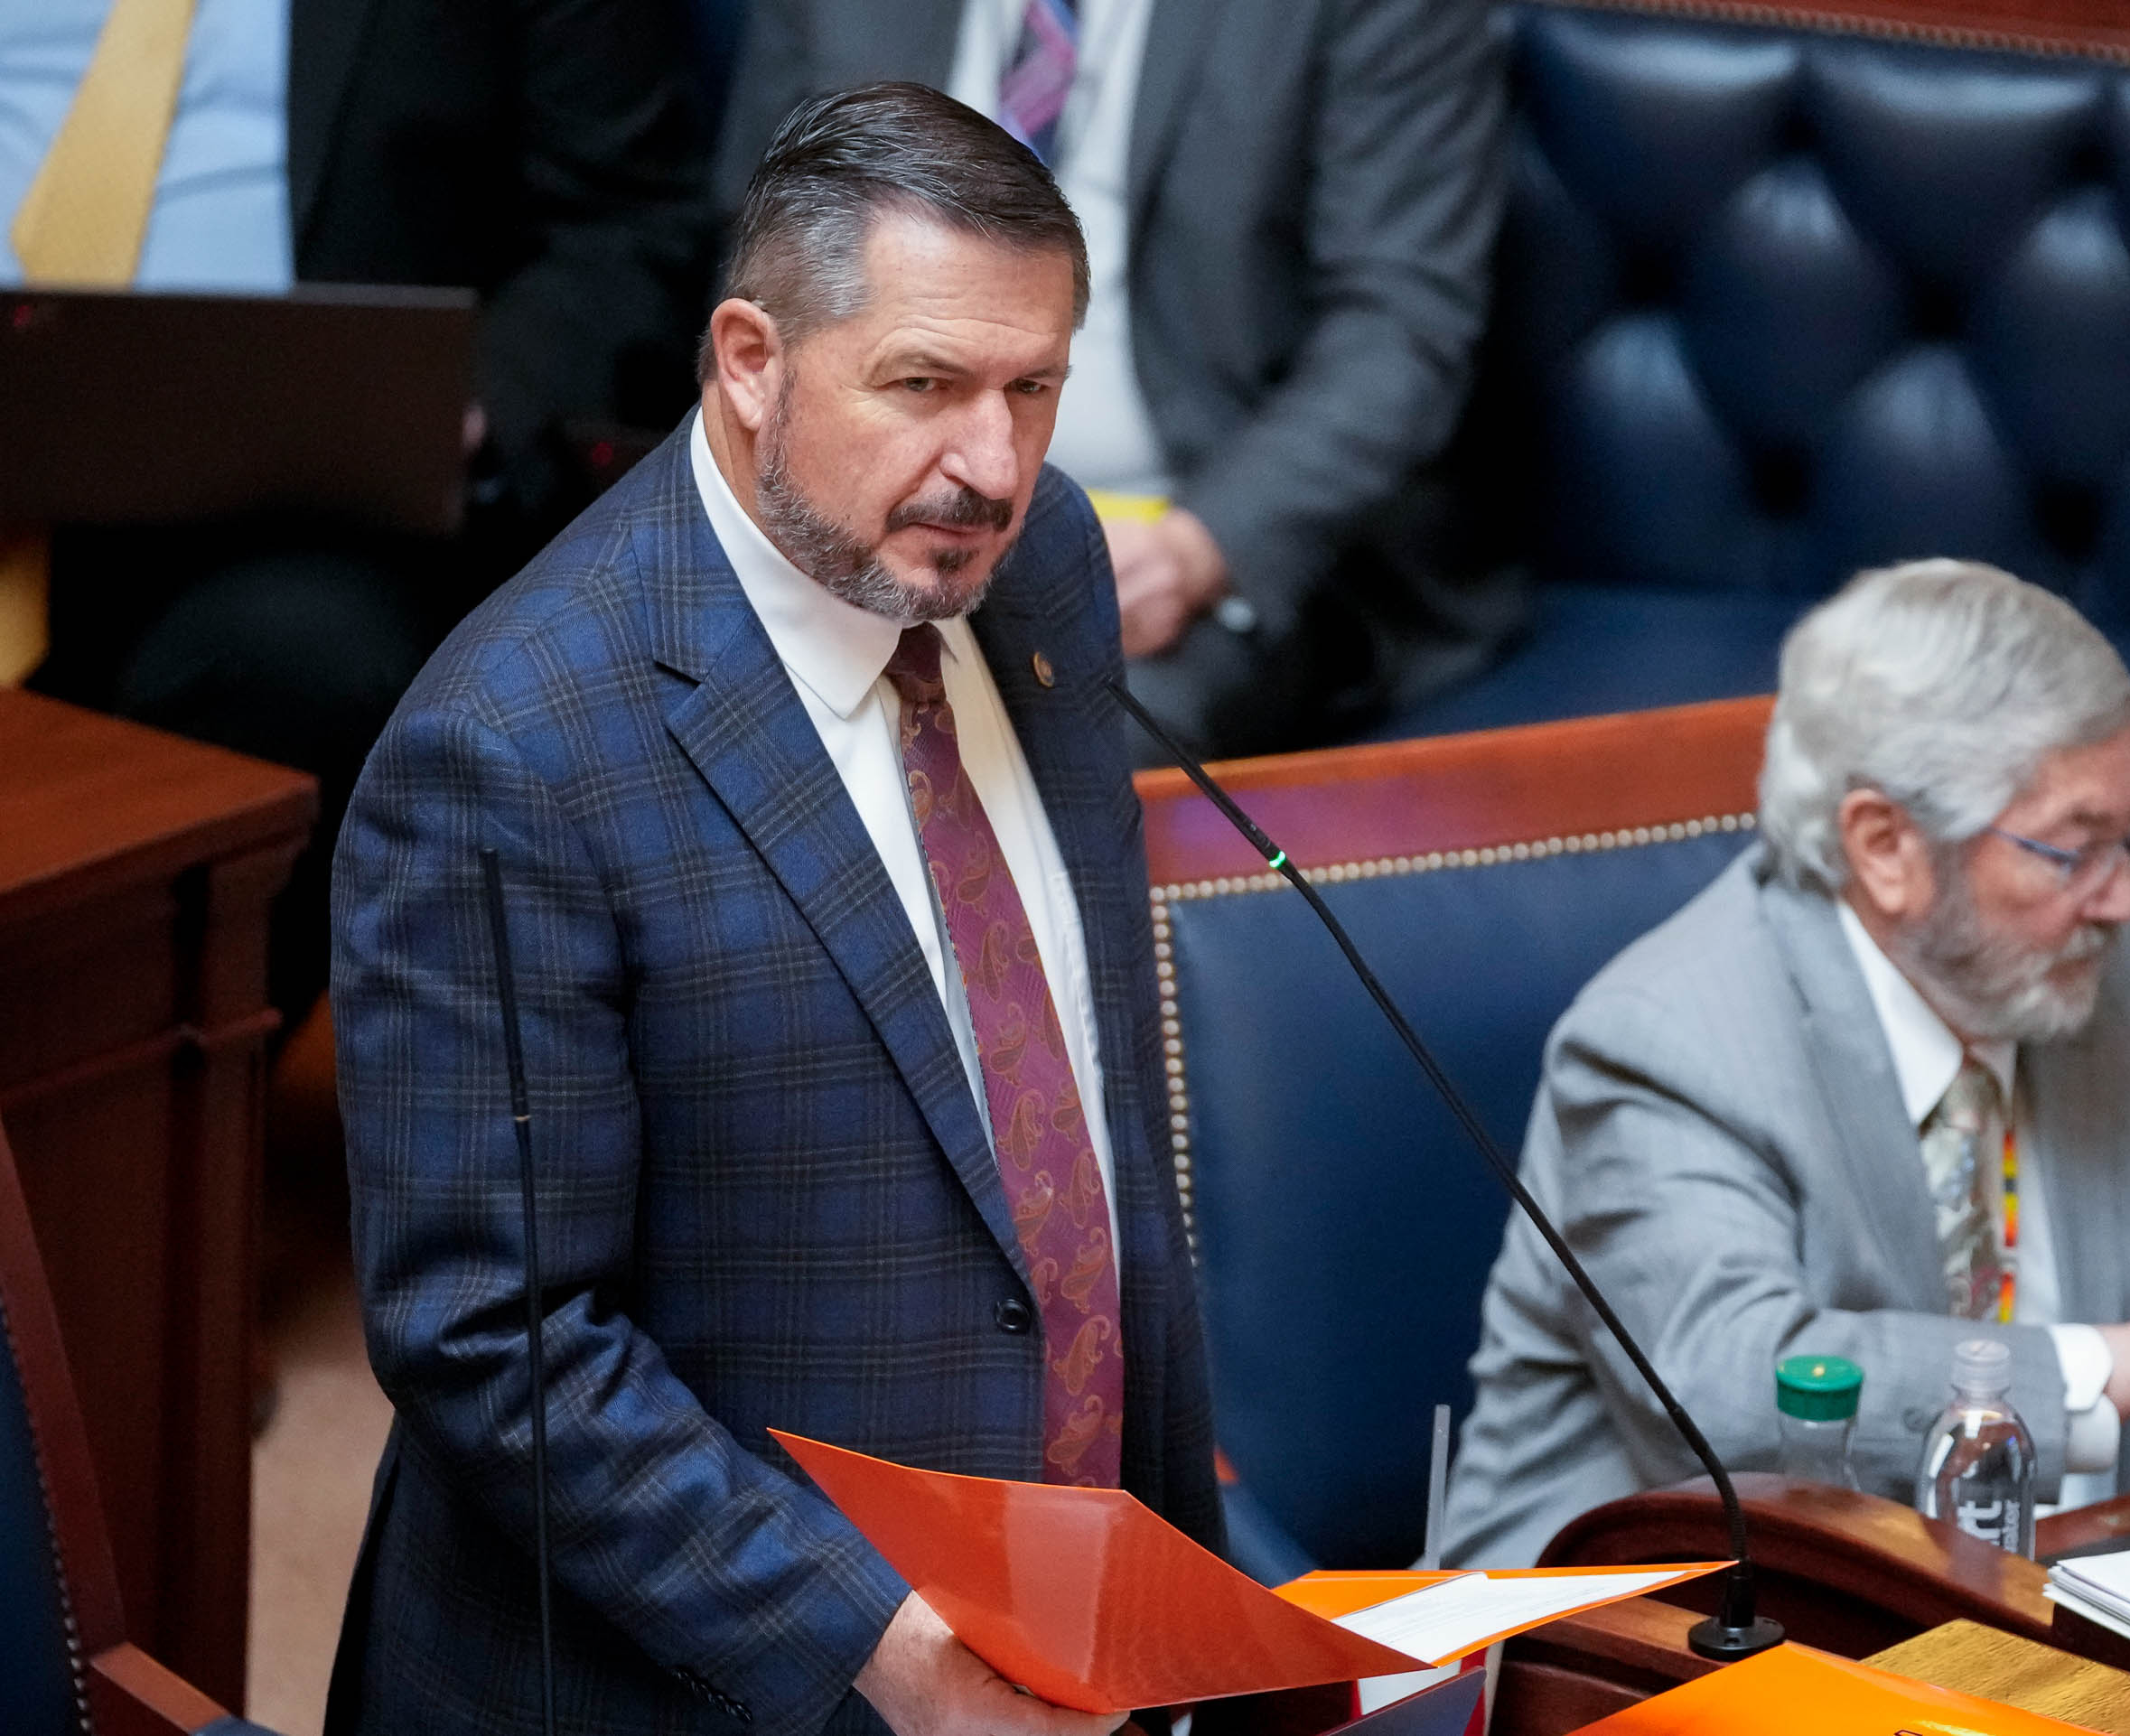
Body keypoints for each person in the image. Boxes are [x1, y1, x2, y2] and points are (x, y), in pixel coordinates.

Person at [325, 84, 1219, 1734]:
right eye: (925, 386)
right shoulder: (509, 753)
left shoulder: (1046, 565)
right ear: (750, 359)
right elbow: (497, 1343)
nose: (995, 463)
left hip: (1084, 1628)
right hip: (695, 1683)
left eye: (1036, 388)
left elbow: (1079, 1117)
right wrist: (885, 1653)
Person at [1435, 559, 2130, 1569]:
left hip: (2033, 1617)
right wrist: (2111, 1367)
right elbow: (1734, 1400)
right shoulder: (1669, 1038)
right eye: (2071, 848)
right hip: (1664, 1624)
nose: (2120, 899)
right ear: (1884, 845)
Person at [5, 0, 714, 1022]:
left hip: (292, 501)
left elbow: (628, 225)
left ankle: (112, 1126)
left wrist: (459, 405)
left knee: (311, 663)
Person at [715, 0, 1515, 761]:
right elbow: (759, 260)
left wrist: (1197, 551)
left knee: (1043, 742)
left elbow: (1399, 329)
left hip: (1193, 525)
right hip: (871, 509)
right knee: (691, 699)